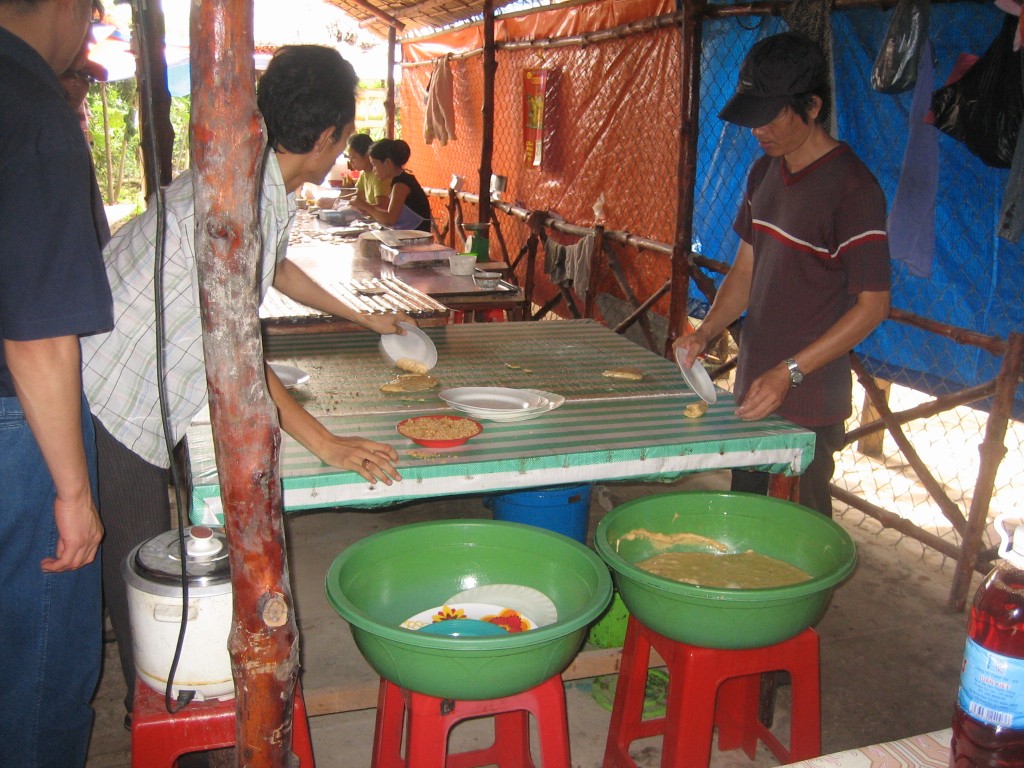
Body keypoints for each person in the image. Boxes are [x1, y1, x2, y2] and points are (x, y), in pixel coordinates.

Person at [81, 44, 406, 723]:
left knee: (149, 550)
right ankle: (156, 712)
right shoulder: (249, 196)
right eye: (345, 139)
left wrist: (366, 317)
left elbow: (273, 271)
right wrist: (326, 442)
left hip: (104, 345)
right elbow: (236, 349)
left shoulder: (258, 175)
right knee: (140, 566)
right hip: (109, 383)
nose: (344, 151)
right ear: (326, 138)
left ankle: (163, 698)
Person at [673, 31, 891, 517]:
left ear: (812, 106)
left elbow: (874, 306)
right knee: (748, 525)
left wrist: (788, 372)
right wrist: (706, 331)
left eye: (771, 115)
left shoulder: (854, 190)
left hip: (807, 403)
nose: (758, 129)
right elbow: (746, 269)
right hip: (754, 393)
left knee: (794, 545)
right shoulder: (762, 173)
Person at [0, 1, 114, 766]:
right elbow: (37, 330)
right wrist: (72, 493)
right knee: (40, 664)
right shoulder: (29, 101)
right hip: (18, 426)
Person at [350, 137, 433, 233]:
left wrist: (367, 207)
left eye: (374, 165)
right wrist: (367, 209)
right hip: (408, 235)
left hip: (417, 240)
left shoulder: (401, 184)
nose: (373, 170)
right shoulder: (398, 181)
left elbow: (390, 219)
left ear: (387, 162)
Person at [344, 131, 390, 208]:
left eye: (353, 157)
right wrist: (335, 200)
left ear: (366, 154)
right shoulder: (364, 173)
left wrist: (364, 207)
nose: (351, 162)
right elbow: (358, 196)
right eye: (349, 158)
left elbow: (383, 206)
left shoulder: (379, 175)